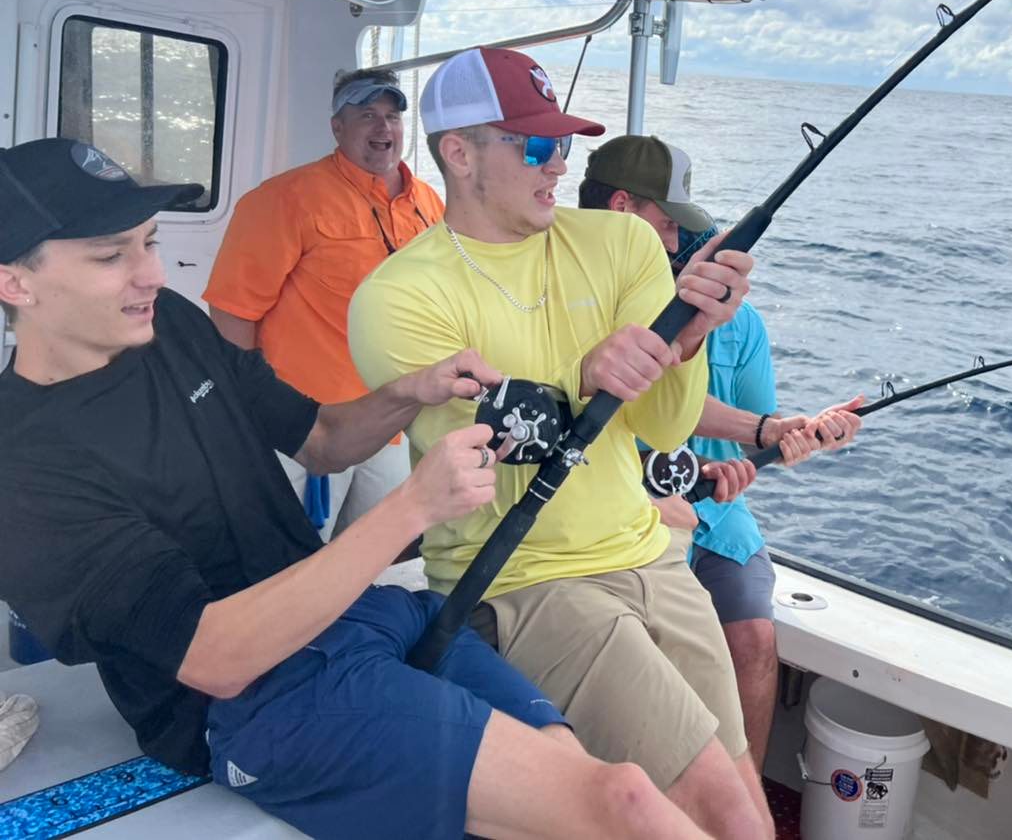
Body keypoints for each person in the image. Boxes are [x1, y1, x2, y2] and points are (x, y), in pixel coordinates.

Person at [0, 138, 705, 840]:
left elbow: (324, 440)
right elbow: (215, 659)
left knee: (585, 778)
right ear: (15, 283)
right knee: (622, 802)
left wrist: (410, 393)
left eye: (149, 243)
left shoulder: (171, 327)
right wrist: (413, 507)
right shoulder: (22, 468)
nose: (151, 273)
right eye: (110, 256)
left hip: (363, 616)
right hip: (256, 699)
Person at [349, 47, 772, 839]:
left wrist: (692, 336)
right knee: (723, 813)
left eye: (564, 148)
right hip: (524, 578)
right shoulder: (400, 295)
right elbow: (487, 446)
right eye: (536, 147)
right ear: (459, 152)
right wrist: (586, 374)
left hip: (650, 555)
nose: (556, 167)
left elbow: (662, 424)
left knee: (744, 783)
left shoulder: (624, 244)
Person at [579, 135, 862, 770]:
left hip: (715, 516)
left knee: (755, 639)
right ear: (622, 211)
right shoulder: (594, 308)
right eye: (669, 229)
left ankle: (746, 797)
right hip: (629, 516)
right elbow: (643, 407)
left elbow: (757, 430)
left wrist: (794, 436)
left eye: (687, 236)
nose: (680, 247)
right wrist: (763, 432)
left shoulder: (744, 325)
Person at [204, 67, 444, 538]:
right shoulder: (285, 199)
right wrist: (249, 413)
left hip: (396, 421)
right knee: (293, 561)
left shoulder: (429, 203)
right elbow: (232, 311)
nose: (384, 128)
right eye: (367, 115)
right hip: (308, 426)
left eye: (393, 116)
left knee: (377, 556)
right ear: (337, 126)